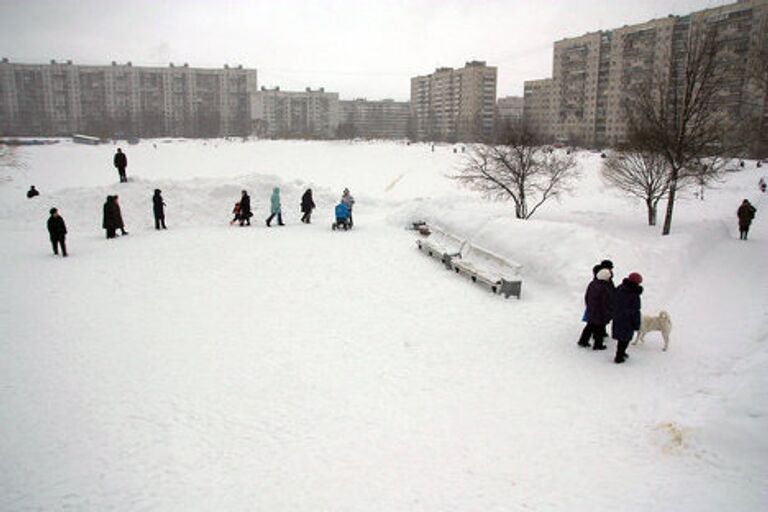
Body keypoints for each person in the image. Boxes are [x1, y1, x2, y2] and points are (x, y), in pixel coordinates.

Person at [577, 259, 614, 347]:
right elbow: (606, 302)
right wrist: (609, 311)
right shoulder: (605, 287)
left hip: (592, 309)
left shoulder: (593, 283)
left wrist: (589, 306)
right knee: (600, 327)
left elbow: (587, 296)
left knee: (590, 326)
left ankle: (583, 341)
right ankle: (598, 345)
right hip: (600, 312)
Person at [612, 273, 643, 364]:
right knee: (625, 339)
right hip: (628, 320)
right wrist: (637, 324)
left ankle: (621, 353)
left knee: (621, 338)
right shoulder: (634, 294)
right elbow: (635, 310)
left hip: (618, 316)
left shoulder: (620, 288)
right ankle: (619, 357)